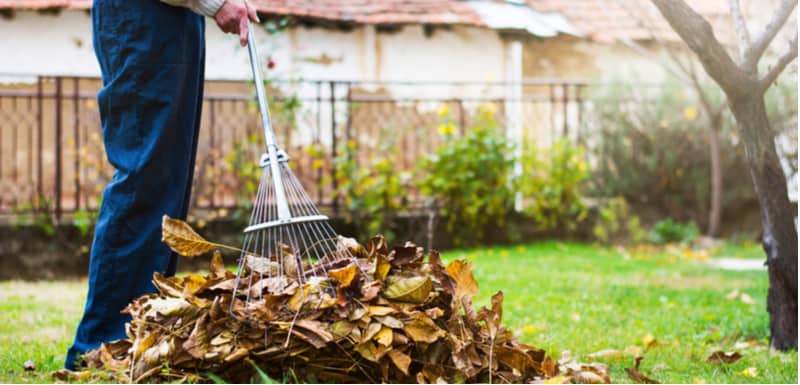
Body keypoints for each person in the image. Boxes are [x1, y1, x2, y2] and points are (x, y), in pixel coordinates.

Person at [65, 0, 259, 370]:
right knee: (145, 178)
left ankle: (140, 335)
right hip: (143, 15)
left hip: (173, 16)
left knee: (167, 181)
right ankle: (102, 347)